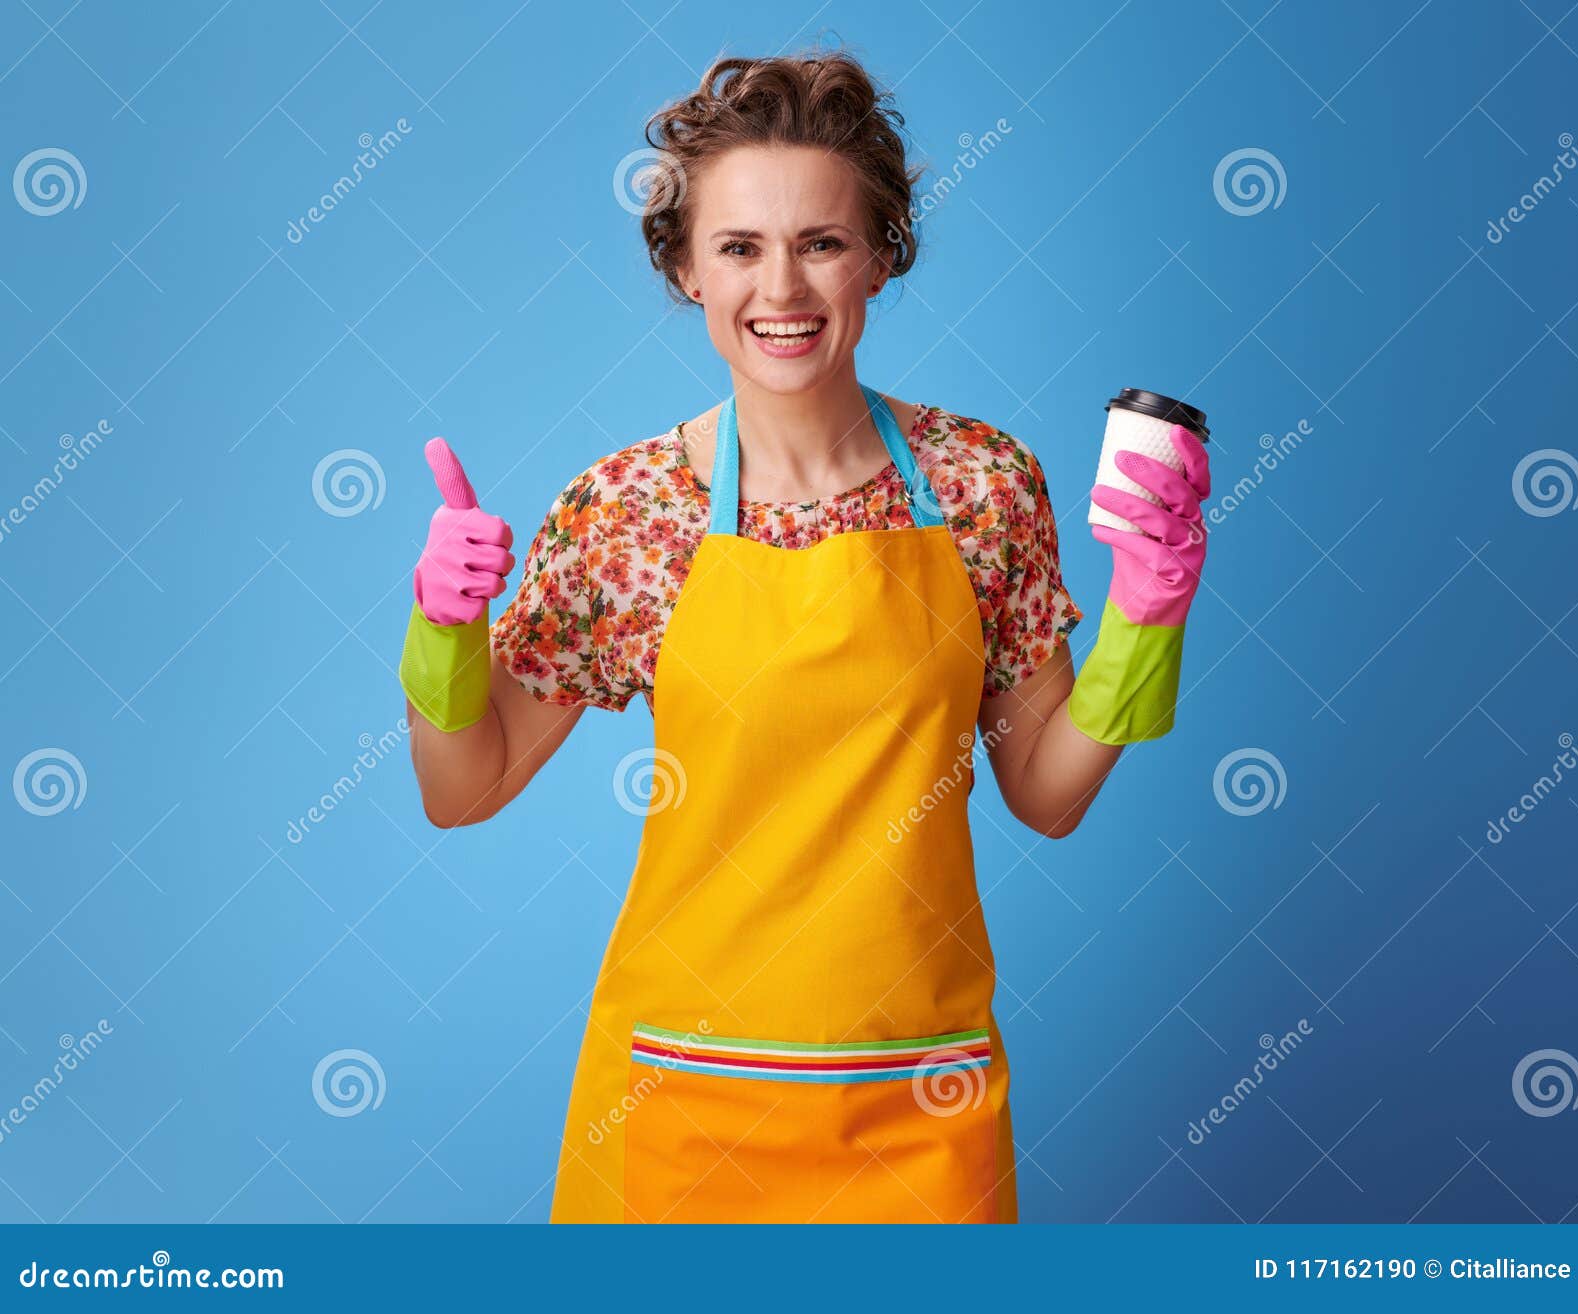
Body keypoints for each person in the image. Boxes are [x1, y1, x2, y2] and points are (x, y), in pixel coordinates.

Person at [397, 49, 1210, 1224]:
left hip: (919, 1100)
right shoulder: (627, 512)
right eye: (738, 247)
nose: (782, 288)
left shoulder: (982, 483)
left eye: (821, 242)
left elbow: (1046, 792)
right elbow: (460, 789)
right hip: (680, 1099)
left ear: (881, 254)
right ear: (683, 269)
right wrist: (443, 632)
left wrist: (1147, 615)